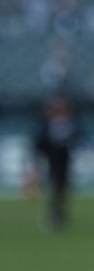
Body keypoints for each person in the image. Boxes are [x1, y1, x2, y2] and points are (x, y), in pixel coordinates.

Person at [34, 95, 84, 231]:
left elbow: (77, 139)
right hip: (52, 162)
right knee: (57, 188)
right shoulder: (48, 126)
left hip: (65, 162)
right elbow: (40, 144)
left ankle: (58, 214)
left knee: (63, 189)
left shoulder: (69, 124)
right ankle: (55, 214)